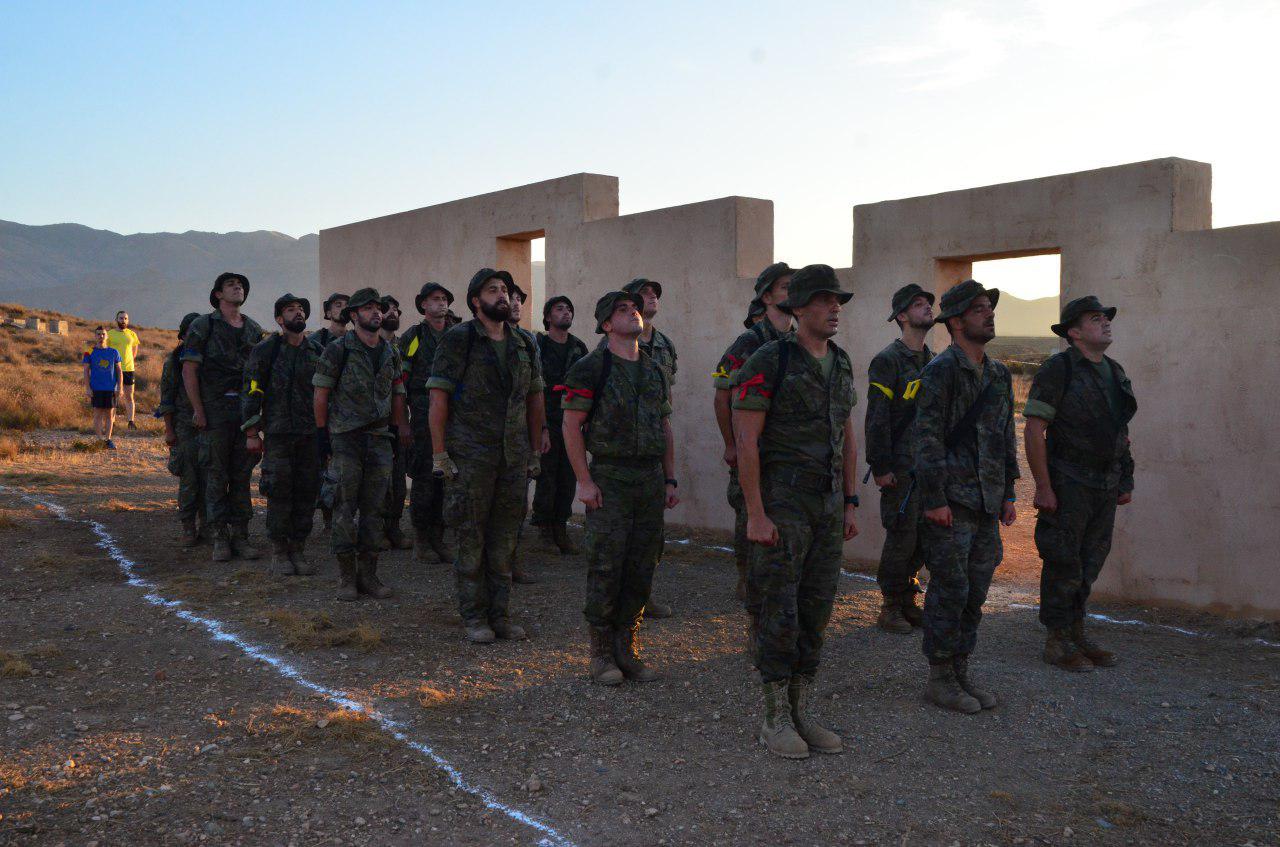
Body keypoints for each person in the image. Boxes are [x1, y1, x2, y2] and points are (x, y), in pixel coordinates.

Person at [732, 263, 859, 760]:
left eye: (838, 300)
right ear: (799, 307)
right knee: (778, 611)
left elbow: (847, 435)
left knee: (816, 610)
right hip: (782, 505)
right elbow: (746, 440)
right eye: (825, 300)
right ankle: (774, 718)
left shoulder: (841, 362)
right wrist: (756, 513)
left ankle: (802, 710)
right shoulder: (770, 359)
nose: (835, 308)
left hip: (826, 505)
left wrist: (849, 501)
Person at [561, 290, 679, 685]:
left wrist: (670, 478)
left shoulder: (654, 370)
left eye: (635, 308)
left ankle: (627, 647)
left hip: (649, 479)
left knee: (643, 563)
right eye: (622, 310)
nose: (633, 313)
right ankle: (600, 652)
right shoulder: (590, 368)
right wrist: (584, 481)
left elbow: (664, 426)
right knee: (607, 564)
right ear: (607, 324)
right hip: (610, 478)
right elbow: (571, 426)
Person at [914, 279, 1018, 714]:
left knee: (976, 590)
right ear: (956, 322)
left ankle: (961, 668)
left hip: (987, 501)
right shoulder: (940, 372)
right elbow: (926, 440)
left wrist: (1009, 491)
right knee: (950, 589)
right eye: (979, 309)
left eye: (989, 308)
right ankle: (939, 677)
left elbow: (1005, 436)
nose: (989, 314)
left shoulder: (998, 374)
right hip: (951, 502)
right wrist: (934, 499)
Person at [427, 268, 545, 644]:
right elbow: (439, 397)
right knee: (471, 536)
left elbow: (535, 397)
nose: (503, 295)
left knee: (505, 538)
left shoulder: (524, 342)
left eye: (505, 290)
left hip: (513, 456)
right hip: (470, 455)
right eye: (493, 290)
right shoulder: (459, 339)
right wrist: (439, 453)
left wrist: (535, 446)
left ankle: (500, 615)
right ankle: (474, 615)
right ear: (476, 301)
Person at [1024, 296, 1136, 671]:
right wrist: (1043, 486)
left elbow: (1121, 432)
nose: (1105, 322)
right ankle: (1057, 640)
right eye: (1095, 318)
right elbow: (1035, 430)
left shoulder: (1115, 371)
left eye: (1106, 317)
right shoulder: (1059, 369)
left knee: (1091, 562)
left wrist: (1125, 477)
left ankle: (1076, 632)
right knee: (1063, 561)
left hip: (1105, 482)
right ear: (1074, 332)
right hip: (1069, 481)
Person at [313, 287, 411, 601]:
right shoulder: (338, 349)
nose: (376, 313)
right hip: (346, 438)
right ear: (354, 315)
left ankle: (369, 575)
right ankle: (346, 577)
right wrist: (322, 435)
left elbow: (398, 393)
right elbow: (321, 392)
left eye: (378, 308)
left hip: (380, 438)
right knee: (344, 507)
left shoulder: (390, 351)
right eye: (368, 308)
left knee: (375, 508)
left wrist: (397, 429)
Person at [712, 262, 793, 608]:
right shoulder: (749, 342)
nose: (793, 292)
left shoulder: (798, 341)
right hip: (752, 448)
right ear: (767, 296)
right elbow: (722, 397)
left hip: (785, 452)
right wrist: (731, 444)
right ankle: (747, 578)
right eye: (786, 286)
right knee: (749, 511)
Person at [865, 283, 936, 634]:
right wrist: (881, 466)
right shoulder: (888, 360)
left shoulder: (934, 361)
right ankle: (890, 605)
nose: (928, 308)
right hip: (901, 469)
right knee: (901, 537)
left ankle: (908, 600)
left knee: (923, 537)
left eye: (928, 303)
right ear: (902, 316)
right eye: (919, 304)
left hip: (928, 468)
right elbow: (877, 417)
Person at [182, 273, 266, 562]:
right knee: (216, 475)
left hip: (244, 412)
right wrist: (198, 408)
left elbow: (259, 375)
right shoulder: (203, 326)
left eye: (240, 285)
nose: (238, 287)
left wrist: (257, 416)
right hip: (214, 409)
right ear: (218, 294)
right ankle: (219, 536)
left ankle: (241, 536)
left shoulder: (253, 329)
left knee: (242, 476)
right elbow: (189, 370)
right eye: (231, 285)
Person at [242, 293, 323, 577]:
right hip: (278, 434)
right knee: (279, 490)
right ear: (279, 319)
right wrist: (252, 431)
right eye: (290, 310)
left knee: (307, 491)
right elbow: (252, 389)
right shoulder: (267, 350)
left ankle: (298, 548)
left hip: (310, 435)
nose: (298, 313)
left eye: (301, 309)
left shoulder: (317, 351)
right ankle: (279, 551)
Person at [620, 277, 677, 618]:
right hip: (623, 451)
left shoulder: (666, 346)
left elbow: (666, 401)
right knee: (620, 535)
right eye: (644, 293)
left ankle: (644, 594)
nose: (652, 296)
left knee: (651, 533)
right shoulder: (613, 346)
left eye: (656, 292)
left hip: (654, 446)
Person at [399, 281, 456, 564]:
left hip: (454, 416)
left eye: (444, 298)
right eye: (435, 299)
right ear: (423, 305)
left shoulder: (457, 334)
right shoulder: (414, 336)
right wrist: (403, 420)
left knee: (448, 479)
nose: (441, 303)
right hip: (423, 416)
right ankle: (422, 539)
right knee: (425, 478)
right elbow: (401, 380)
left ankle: (439, 537)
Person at [533, 295, 589, 554]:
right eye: (559, 309)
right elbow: (533, 386)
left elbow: (588, 384)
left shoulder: (578, 347)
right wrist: (540, 426)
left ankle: (560, 528)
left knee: (568, 476)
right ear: (547, 317)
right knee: (547, 475)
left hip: (571, 420)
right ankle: (544, 530)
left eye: (569, 309)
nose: (566, 312)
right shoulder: (539, 345)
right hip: (547, 418)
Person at [157, 313, 206, 545]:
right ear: (184, 336)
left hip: (209, 426)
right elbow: (166, 400)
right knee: (189, 478)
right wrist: (169, 430)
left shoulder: (210, 359)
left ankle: (208, 525)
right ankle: (188, 527)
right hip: (185, 426)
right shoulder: (174, 363)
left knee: (210, 478)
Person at [312, 292, 351, 530]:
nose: (343, 309)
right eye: (338, 305)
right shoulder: (315, 342)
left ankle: (342, 519)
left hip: (348, 416)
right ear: (328, 312)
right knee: (324, 469)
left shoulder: (357, 341)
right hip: (323, 415)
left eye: (347, 305)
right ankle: (328, 519)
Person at [377, 294, 413, 551]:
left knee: (398, 479)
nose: (393, 312)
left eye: (396, 309)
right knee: (377, 479)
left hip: (399, 420)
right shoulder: (368, 345)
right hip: (373, 423)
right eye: (387, 309)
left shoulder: (404, 345)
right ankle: (376, 529)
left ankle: (394, 527)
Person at [83, 326, 123, 449]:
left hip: (111, 388)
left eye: (103, 334)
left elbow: (119, 371)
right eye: (98, 334)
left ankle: (108, 439)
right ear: (95, 336)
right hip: (96, 388)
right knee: (97, 414)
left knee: (109, 415)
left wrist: (120, 387)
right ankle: (100, 439)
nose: (101, 336)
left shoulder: (114, 352)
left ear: (107, 336)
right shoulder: (89, 352)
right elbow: (86, 371)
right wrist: (88, 388)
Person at [106, 311, 141, 430]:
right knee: (113, 396)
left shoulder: (132, 334)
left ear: (128, 320)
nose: (123, 320)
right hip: (114, 370)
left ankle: (131, 421)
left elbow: (134, 351)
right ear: (116, 319)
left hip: (129, 369)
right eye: (121, 318)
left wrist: (129, 361)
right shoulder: (109, 334)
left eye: (125, 318)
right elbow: (106, 350)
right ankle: (112, 422)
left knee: (129, 396)